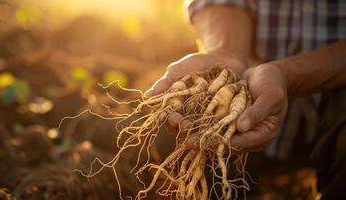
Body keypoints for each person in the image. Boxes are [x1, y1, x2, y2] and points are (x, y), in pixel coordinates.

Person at [146, 1, 346, 199]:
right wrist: (225, 52)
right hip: (254, 96)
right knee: (175, 134)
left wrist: (287, 74)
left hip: (336, 95)